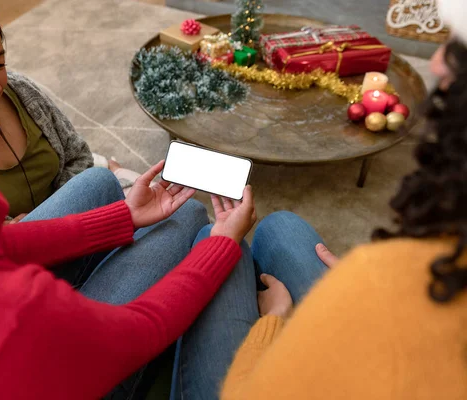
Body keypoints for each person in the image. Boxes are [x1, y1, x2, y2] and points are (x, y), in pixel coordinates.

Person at [0, 1, 259, 399]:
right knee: (193, 218)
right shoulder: (10, 310)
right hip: (78, 362)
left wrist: (122, 216)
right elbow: (137, 331)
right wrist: (222, 246)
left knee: (101, 184)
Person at [171, 1, 467, 399]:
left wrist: (275, 321)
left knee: (220, 240)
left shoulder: (388, 279)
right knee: (280, 228)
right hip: (385, 324)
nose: (436, 64)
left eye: (455, 49)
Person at [0, 0, 140, 222]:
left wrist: (60, 209)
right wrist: (32, 232)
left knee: (182, 209)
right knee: (101, 181)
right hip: (31, 254)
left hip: (88, 224)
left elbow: (78, 156)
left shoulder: (21, 91)